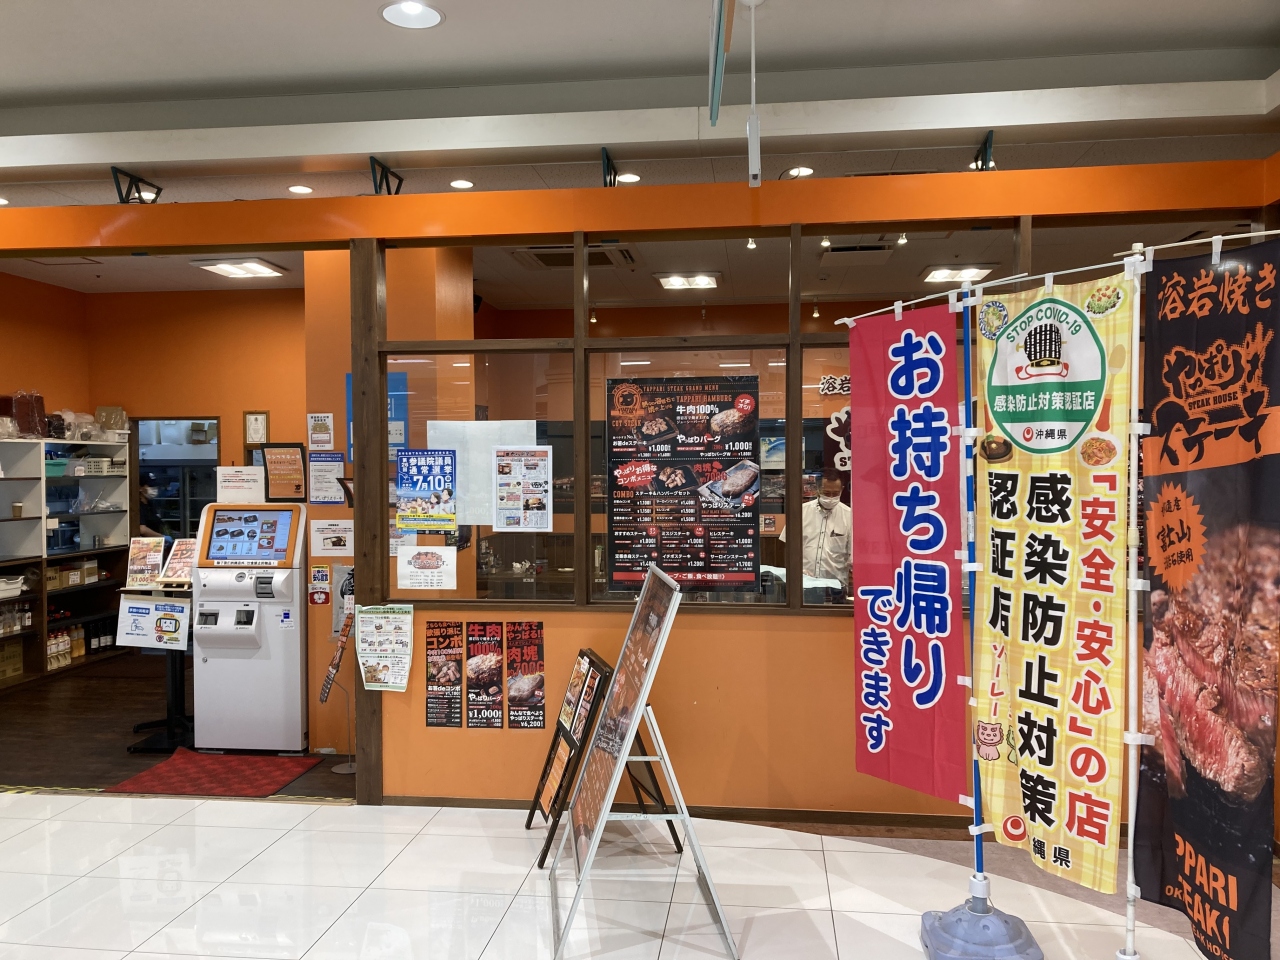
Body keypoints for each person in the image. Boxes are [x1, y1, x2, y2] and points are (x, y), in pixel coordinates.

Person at [779, 468, 851, 600]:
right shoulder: (800, 512)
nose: (830, 498)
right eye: (826, 493)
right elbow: (788, 548)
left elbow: (853, 556)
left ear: (842, 489)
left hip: (835, 586)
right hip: (803, 583)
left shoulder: (849, 516)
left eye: (835, 493)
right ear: (817, 489)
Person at [138, 472, 167, 539]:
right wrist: (162, 537)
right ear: (140, 488)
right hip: (145, 542)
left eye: (155, 486)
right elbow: (142, 529)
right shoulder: (138, 506)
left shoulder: (150, 504)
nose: (155, 489)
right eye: (151, 486)